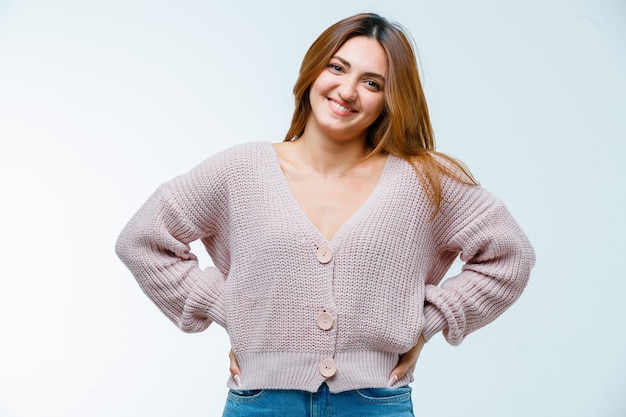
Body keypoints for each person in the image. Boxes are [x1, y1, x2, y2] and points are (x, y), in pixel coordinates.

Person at [115, 12, 535, 417]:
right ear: (314, 70)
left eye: (372, 82)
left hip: (375, 402)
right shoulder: (240, 171)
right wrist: (228, 307)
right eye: (337, 67)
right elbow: (144, 239)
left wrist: (430, 322)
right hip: (262, 402)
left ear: (390, 99)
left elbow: (509, 257)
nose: (348, 91)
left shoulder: (423, 180)